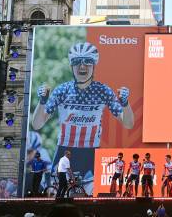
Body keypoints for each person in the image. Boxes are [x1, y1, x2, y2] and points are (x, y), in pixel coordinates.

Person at [32, 42, 135, 191]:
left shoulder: (103, 91)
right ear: (71, 66)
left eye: (88, 62)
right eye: (77, 62)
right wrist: (42, 102)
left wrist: (125, 104)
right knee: (56, 193)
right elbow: (37, 124)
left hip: (90, 153)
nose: (82, 66)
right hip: (65, 151)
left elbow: (129, 124)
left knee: (92, 193)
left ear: (94, 66)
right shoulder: (62, 90)